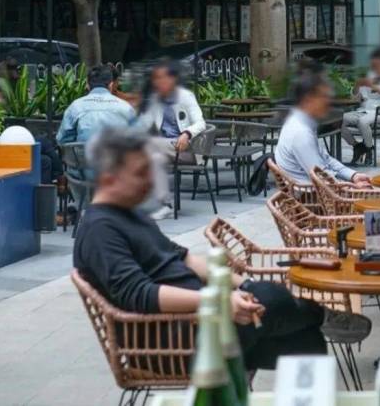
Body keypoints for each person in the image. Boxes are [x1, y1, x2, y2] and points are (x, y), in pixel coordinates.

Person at [74, 126, 328, 370]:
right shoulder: (100, 230)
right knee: (279, 302)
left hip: (199, 321)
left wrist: (243, 285)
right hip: (170, 341)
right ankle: (320, 313)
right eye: (141, 173)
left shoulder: (131, 214)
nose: (150, 180)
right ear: (108, 179)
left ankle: (311, 315)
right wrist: (219, 302)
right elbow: (141, 294)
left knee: (307, 342)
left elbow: (184, 258)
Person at [274, 64, 371, 185]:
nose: (329, 103)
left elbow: (325, 159)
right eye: (324, 97)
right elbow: (322, 178)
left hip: (320, 188)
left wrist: (353, 175)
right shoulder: (301, 132)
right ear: (308, 100)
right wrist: (351, 186)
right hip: (311, 193)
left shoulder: (304, 123)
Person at [138, 60, 206, 220]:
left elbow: (201, 123)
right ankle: (166, 206)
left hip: (187, 149)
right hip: (165, 148)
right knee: (155, 158)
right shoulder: (156, 99)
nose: (158, 82)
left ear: (173, 79)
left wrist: (187, 134)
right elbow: (144, 123)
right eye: (156, 78)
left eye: (162, 77)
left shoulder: (186, 97)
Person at [341, 48, 380, 164]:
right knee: (338, 120)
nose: (375, 68)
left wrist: (375, 87)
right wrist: (357, 86)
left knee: (363, 122)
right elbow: (358, 97)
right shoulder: (371, 75)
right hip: (364, 110)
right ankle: (357, 146)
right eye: (373, 65)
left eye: (377, 65)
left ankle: (369, 149)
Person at [56, 64, 135, 146]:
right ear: (111, 85)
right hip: (117, 153)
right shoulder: (125, 107)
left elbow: (62, 139)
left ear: (87, 85)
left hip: (84, 153)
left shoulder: (76, 106)